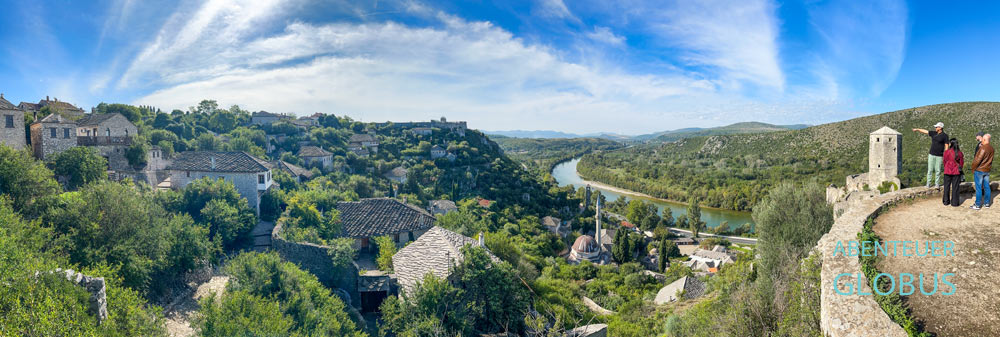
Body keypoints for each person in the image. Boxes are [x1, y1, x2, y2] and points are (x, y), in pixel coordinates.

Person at [912, 122, 949, 188]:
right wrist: (917, 129)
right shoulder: (933, 133)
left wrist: (945, 154)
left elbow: (946, 145)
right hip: (931, 154)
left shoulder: (945, 136)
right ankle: (928, 183)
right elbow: (925, 131)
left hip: (939, 156)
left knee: (938, 170)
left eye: (936, 127)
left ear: (940, 128)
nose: (935, 128)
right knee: (930, 170)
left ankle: (937, 184)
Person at [970, 133, 994, 210]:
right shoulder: (992, 148)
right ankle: (987, 203)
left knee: (979, 188)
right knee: (987, 187)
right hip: (987, 170)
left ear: (984, 139)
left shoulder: (983, 148)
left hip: (979, 170)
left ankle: (977, 204)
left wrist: (973, 168)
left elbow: (977, 160)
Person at [942, 138, 964, 207]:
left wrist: (947, 167)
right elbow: (961, 163)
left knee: (946, 186)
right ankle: (954, 203)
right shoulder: (959, 153)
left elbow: (944, 161)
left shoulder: (946, 152)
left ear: (950, 144)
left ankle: (946, 201)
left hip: (947, 171)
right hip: (956, 171)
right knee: (955, 187)